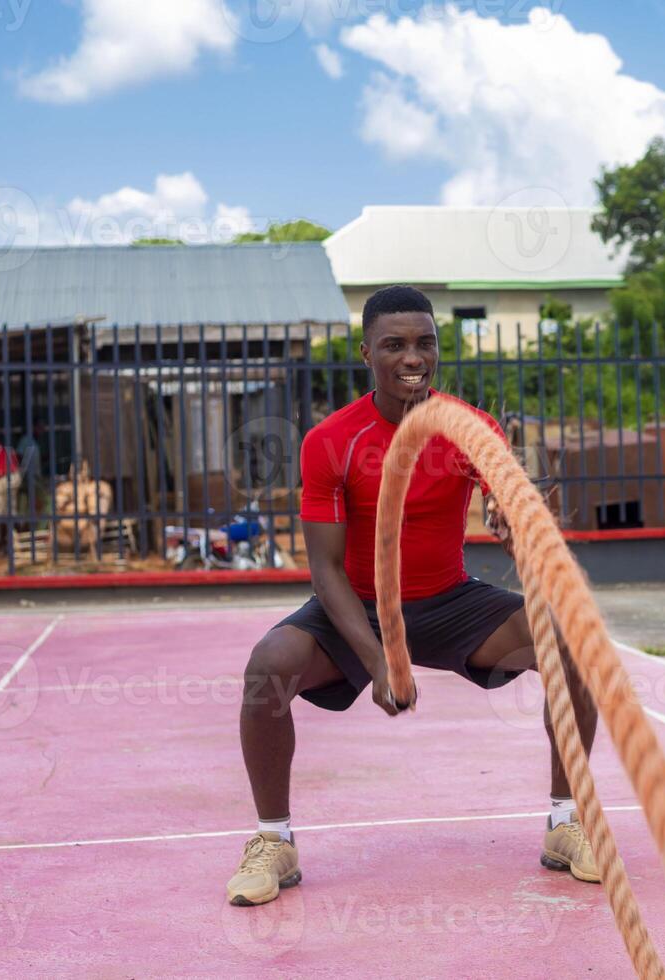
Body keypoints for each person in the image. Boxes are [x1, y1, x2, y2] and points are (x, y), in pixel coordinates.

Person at [226, 285, 601, 907]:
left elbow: (517, 518)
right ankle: (274, 841)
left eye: (425, 343)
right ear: (366, 352)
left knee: (569, 644)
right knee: (269, 666)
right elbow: (324, 572)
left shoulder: (471, 429)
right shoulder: (330, 441)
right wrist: (381, 661)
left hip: (450, 601)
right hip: (359, 605)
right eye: (395, 344)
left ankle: (566, 823)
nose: (413, 357)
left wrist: (518, 534)